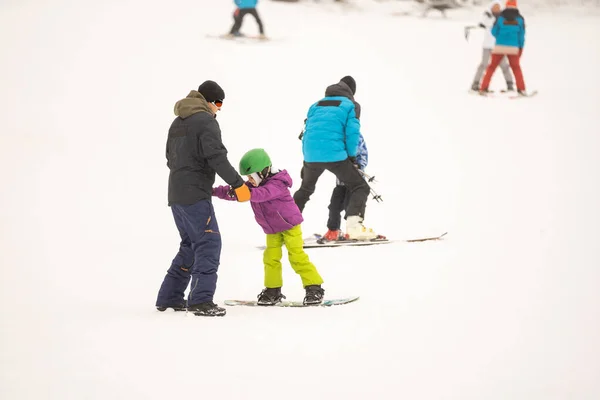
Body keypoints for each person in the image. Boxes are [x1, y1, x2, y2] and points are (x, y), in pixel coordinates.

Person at [156, 80, 251, 317]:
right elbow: (216, 157)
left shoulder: (177, 122)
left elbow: (170, 158)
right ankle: (200, 301)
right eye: (218, 102)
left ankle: (170, 298)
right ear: (208, 101)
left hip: (176, 194)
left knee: (190, 244)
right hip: (195, 195)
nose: (219, 108)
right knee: (209, 243)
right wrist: (237, 184)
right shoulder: (206, 121)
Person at [213, 148, 325, 306]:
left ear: (264, 172)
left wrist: (247, 194)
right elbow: (233, 191)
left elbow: (263, 194)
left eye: (251, 176)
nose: (250, 180)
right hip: (272, 230)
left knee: (297, 257)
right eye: (248, 177)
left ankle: (314, 287)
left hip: (290, 226)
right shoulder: (254, 186)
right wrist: (213, 191)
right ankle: (273, 290)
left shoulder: (277, 183)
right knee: (270, 258)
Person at [294, 75, 378, 241]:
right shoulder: (351, 105)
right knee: (360, 187)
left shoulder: (315, 105)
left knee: (305, 190)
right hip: (336, 155)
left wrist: (307, 159)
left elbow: (307, 132)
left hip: (311, 155)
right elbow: (352, 133)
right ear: (351, 91)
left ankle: (286, 227)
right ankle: (354, 227)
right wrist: (351, 157)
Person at [322, 133, 368, 241]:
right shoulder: (335, 136)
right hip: (340, 182)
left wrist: (359, 165)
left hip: (355, 182)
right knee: (334, 206)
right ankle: (333, 230)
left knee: (351, 205)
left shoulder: (356, 136)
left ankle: (354, 229)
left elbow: (363, 154)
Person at [479, 0, 527, 96]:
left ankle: (483, 88)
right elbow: (521, 35)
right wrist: (520, 48)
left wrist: (500, 38)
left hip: (500, 46)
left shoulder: (500, 17)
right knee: (516, 68)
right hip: (514, 47)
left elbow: (493, 31)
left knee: (491, 67)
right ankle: (521, 89)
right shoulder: (520, 19)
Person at [467, 0, 514, 92]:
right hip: (487, 45)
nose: (496, 9)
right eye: (494, 7)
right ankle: (475, 84)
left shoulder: (504, 17)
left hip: (499, 45)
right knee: (484, 64)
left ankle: (510, 85)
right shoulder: (487, 16)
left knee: (504, 65)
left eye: (498, 7)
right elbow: (487, 23)